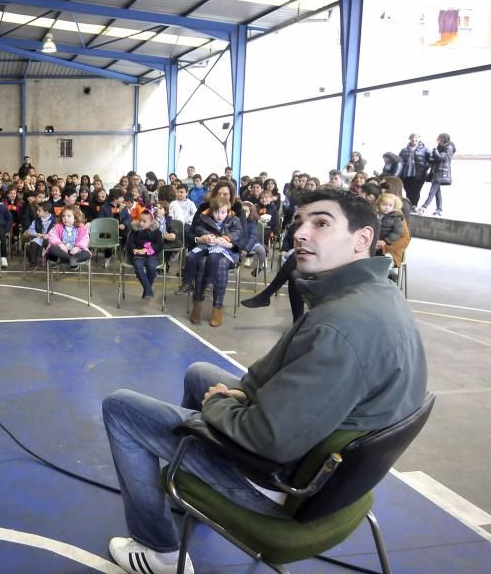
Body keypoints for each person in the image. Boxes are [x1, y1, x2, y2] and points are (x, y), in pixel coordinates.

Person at [103, 189, 428, 574]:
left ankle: (158, 550)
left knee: (121, 408)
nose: (301, 233)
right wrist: (240, 392)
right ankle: (186, 481)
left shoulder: (341, 327)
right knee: (199, 373)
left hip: (283, 483)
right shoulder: (371, 295)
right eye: (301, 222)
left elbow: (270, 440)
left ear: (362, 239)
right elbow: (273, 369)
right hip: (320, 460)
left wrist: (219, 404)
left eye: (321, 223)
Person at [176, 196, 243, 327]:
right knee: (199, 260)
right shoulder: (205, 216)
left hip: (226, 249)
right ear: (212, 210)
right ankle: (195, 298)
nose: (219, 215)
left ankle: (217, 305)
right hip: (207, 246)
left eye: (222, 212)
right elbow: (197, 229)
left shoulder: (235, 219)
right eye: (217, 212)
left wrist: (227, 239)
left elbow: (239, 234)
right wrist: (205, 236)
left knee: (219, 263)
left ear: (228, 211)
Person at [127, 208, 163, 300]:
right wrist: (135, 250)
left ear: (151, 222)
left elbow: (160, 245)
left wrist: (148, 250)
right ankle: (148, 290)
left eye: (144, 221)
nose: (141, 223)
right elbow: (130, 243)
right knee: (138, 267)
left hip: (151, 254)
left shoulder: (156, 232)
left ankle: (147, 290)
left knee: (151, 267)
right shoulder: (135, 230)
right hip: (138, 254)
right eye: (140, 220)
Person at [417, 133, 455, 216]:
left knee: (432, 191)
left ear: (444, 139)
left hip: (442, 173)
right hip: (436, 172)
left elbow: (440, 158)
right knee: (437, 192)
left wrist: (434, 150)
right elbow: (435, 159)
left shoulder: (449, 148)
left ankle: (423, 208)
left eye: (439, 139)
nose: (438, 141)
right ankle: (439, 209)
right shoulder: (440, 148)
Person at [396, 133, 430, 207]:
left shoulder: (425, 149)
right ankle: (408, 206)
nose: (414, 139)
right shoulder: (404, 150)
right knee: (408, 191)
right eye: (412, 138)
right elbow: (399, 161)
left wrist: (425, 167)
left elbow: (431, 160)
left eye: (416, 137)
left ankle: (414, 206)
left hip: (419, 175)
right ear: (409, 139)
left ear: (419, 138)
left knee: (416, 191)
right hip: (406, 174)